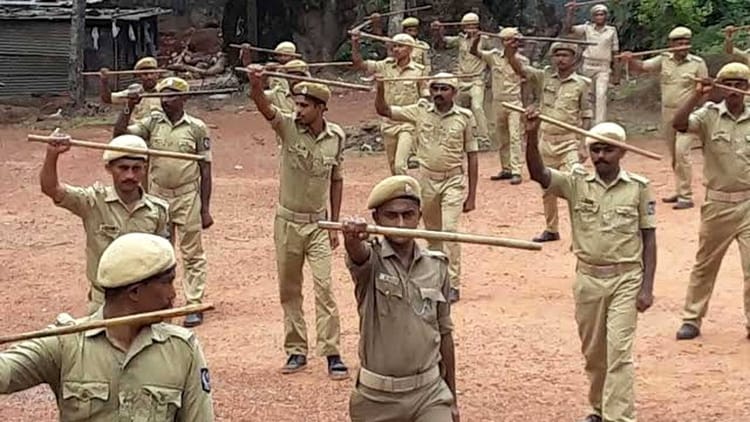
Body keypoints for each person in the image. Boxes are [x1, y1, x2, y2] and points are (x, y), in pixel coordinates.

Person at [525, 114, 657, 422]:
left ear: (622, 152)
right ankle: (599, 407)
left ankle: (618, 416)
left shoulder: (638, 188)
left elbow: (649, 238)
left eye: (608, 150)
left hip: (626, 278)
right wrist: (532, 135)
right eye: (595, 150)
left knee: (619, 353)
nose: (600, 156)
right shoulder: (575, 184)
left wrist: (647, 287)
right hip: (588, 279)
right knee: (595, 354)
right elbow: (538, 173)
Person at [0, 233, 215, 420]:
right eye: (167, 282)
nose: (173, 294)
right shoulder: (66, 342)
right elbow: (5, 374)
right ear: (135, 292)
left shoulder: (183, 350)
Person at [247, 65, 349, 378]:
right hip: (287, 222)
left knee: (324, 288)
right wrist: (256, 84)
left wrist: (334, 224)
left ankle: (331, 352)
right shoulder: (287, 127)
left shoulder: (336, 137)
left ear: (321, 108)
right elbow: (264, 107)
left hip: (318, 225)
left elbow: (336, 179)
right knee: (289, 289)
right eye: (297, 104)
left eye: (305, 105)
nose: (298, 110)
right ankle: (295, 350)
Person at [342, 175, 458, 422]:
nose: (401, 223)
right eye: (391, 216)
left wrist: (452, 399)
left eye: (408, 215)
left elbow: (444, 333)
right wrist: (352, 239)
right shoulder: (371, 262)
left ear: (419, 216)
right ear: (377, 218)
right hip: (376, 399)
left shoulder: (436, 266)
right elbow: (357, 254)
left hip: (429, 395)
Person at [113, 77, 214, 328]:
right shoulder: (152, 123)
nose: (165, 100)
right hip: (158, 198)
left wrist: (205, 209)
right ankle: (160, 302)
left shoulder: (197, 128)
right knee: (159, 252)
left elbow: (206, 169)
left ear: (184, 98)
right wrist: (128, 107)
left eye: (171, 95)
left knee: (192, 253)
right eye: (162, 95)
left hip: (187, 196)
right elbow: (120, 136)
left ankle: (193, 304)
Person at [375, 72, 478, 303]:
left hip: (453, 181)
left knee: (449, 231)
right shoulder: (419, 110)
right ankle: (437, 278)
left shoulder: (464, 117)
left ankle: (453, 284)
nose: (438, 93)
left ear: (454, 92)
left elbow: (472, 155)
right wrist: (380, 87)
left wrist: (472, 195)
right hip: (426, 181)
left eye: (444, 89)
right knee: (432, 233)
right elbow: (384, 110)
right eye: (435, 88)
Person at [39, 133, 169, 314]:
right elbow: (51, 188)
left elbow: (164, 263)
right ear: (109, 168)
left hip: (144, 302)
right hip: (104, 301)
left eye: (136, 168)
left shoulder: (158, 210)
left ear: (144, 169)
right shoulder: (92, 202)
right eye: (123, 168)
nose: (130, 175)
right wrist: (52, 154)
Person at [672, 62, 750, 340]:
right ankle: (692, 318)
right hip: (718, 204)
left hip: (749, 203)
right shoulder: (708, 115)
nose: (734, 90)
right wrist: (697, 95)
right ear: (720, 87)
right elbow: (679, 124)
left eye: (740, 84)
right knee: (705, 265)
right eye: (728, 84)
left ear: (747, 88)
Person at [511, 42, 592, 242]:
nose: (561, 59)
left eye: (565, 55)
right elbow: (520, 69)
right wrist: (510, 51)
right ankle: (551, 229)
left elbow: (586, 115)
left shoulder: (582, 84)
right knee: (547, 187)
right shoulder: (544, 77)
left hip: (569, 142)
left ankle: (581, 230)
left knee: (575, 184)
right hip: (545, 141)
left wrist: (583, 144)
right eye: (557, 55)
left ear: (574, 59)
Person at [621, 27, 708, 210]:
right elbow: (642, 67)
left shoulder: (698, 63)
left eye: (686, 42)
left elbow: (705, 90)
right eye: (679, 42)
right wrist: (630, 60)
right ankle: (679, 189)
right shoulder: (663, 59)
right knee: (675, 155)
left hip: (688, 115)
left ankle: (685, 196)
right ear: (671, 44)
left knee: (682, 153)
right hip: (667, 114)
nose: (683, 46)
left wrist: (701, 111)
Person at [351, 31, 427, 175]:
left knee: (400, 165)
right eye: (394, 46)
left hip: (408, 123)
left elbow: (425, 97)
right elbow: (359, 64)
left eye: (400, 46)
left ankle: (407, 188)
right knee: (393, 167)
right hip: (388, 122)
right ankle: (402, 188)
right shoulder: (384, 66)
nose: (396, 49)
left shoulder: (419, 71)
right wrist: (355, 43)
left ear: (410, 49)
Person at [471, 27, 529, 185]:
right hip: (498, 102)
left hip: (514, 102)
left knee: (515, 136)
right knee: (502, 137)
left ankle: (516, 170)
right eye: (506, 40)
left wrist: (525, 105)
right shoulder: (493, 56)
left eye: (512, 40)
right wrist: (476, 39)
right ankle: (506, 168)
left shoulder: (522, 60)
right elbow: (474, 52)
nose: (509, 43)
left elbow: (523, 75)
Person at [432, 13, 490, 147]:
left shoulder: (485, 40)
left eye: (473, 25)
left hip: (477, 79)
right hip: (461, 79)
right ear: (463, 27)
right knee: (456, 107)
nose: (470, 28)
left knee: (477, 107)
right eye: (467, 25)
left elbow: (494, 56)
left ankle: (484, 138)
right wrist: (438, 30)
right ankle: (456, 136)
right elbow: (442, 43)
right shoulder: (460, 39)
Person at [563, 3, 621, 123]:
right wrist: (571, 12)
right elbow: (568, 30)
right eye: (597, 15)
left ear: (606, 16)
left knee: (601, 95)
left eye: (602, 14)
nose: (599, 17)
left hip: (603, 67)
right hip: (588, 65)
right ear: (593, 17)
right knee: (587, 96)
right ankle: (585, 122)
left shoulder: (611, 31)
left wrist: (617, 74)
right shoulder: (586, 28)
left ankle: (599, 125)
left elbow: (615, 52)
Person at [99, 56, 163, 121]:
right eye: (145, 74)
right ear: (139, 76)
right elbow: (107, 99)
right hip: (138, 126)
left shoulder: (164, 90)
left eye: (152, 73)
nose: (149, 77)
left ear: (157, 74)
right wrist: (104, 81)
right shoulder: (134, 91)